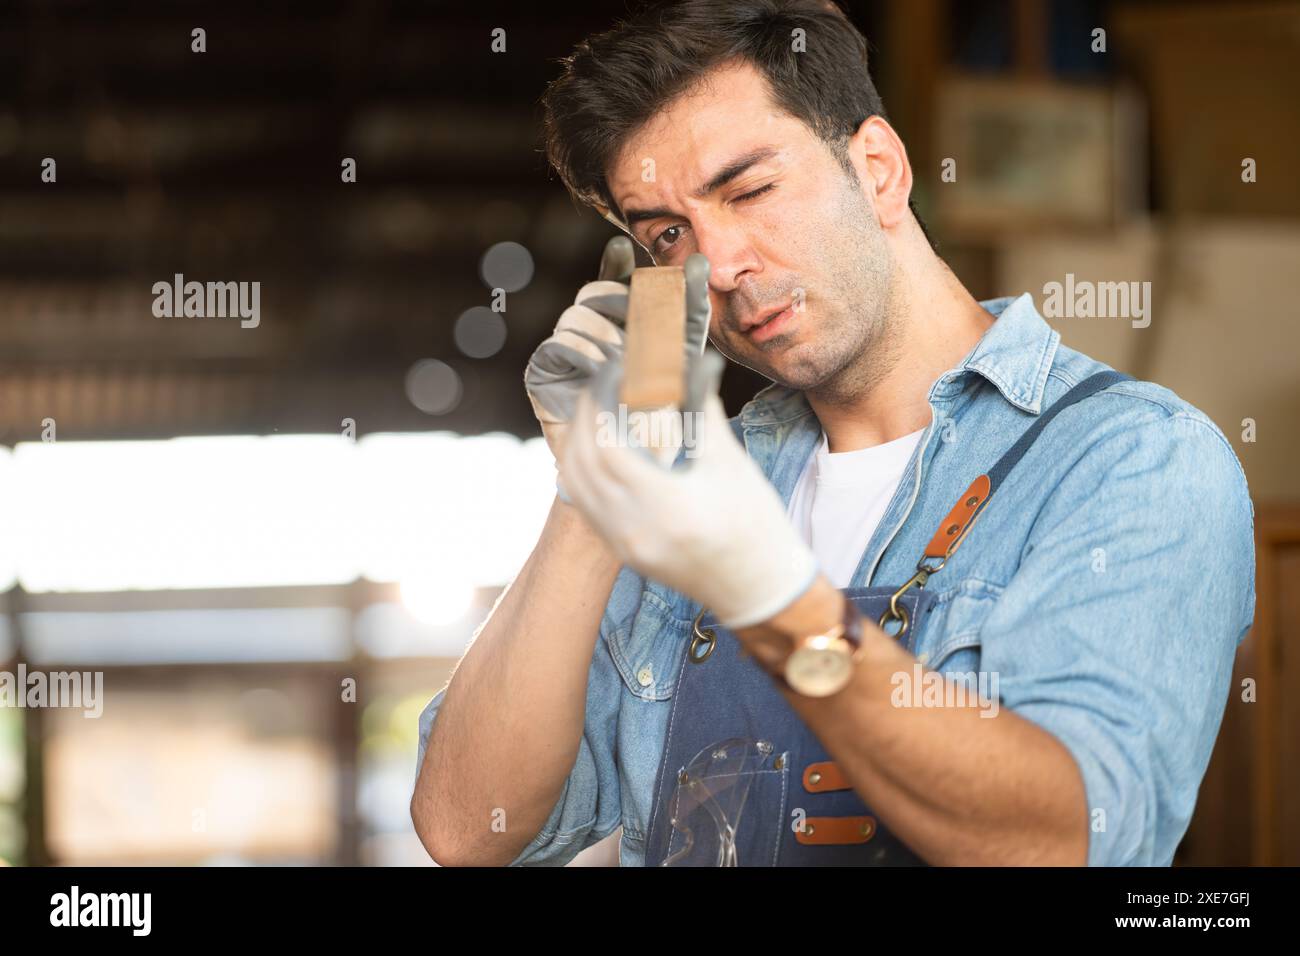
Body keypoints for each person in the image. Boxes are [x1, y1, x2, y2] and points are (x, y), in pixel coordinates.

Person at [410, 0, 1254, 867]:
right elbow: (466, 829)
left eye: (748, 190)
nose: (722, 264)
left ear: (880, 169)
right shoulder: (686, 481)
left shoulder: (1131, 462)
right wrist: (591, 492)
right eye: (669, 233)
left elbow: (1063, 840)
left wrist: (772, 596)